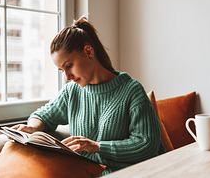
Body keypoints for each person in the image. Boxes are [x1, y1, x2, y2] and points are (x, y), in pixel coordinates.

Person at [12, 16, 164, 174]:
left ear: (88, 51)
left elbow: (147, 144)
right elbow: (43, 115)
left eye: (69, 66)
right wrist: (32, 127)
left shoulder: (131, 90)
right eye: (61, 70)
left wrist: (97, 147)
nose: (67, 76)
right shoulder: (72, 91)